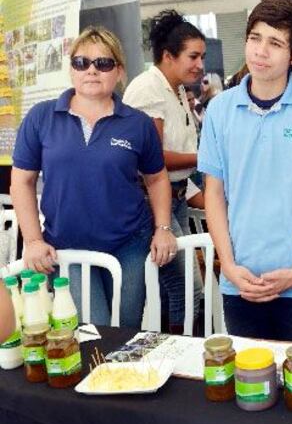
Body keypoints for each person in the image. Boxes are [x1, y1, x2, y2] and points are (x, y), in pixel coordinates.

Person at [199, 0, 292, 344]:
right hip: (241, 283)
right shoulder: (220, 110)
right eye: (255, 38)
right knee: (254, 387)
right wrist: (230, 267)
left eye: (275, 43)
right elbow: (214, 194)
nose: (261, 52)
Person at [10, 26, 176, 327]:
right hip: (67, 246)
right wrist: (33, 240)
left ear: (119, 71)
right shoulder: (41, 117)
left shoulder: (137, 124)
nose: (91, 71)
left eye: (103, 63)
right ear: (71, 69)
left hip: (129, 244)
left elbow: (157, 178)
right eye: (81, 62)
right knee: (93, 330)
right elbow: (22, 181)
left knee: (125, 329)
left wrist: (163, 227)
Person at [123, 10, 204, 333]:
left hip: (179, 197)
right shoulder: (149, 89)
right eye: (193, 56)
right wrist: (204, 157)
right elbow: (152, 159)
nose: (199, 64)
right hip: (155, 202)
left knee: (172, 287)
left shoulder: (178, 88)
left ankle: (167, 352)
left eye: (202, 56)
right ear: (168, 56)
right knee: (188, 288)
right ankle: (184, 355)